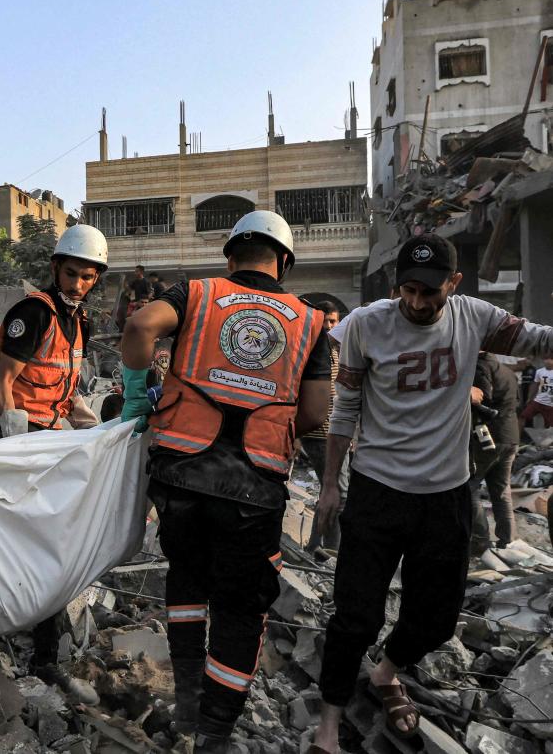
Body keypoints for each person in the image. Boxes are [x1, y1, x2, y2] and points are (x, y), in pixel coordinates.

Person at [309, 234, 553, 753]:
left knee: (437, 619)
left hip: (446, 495)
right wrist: (330, 486)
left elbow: (537, 340)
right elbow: (344, 409)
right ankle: (327, 726)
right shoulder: (365, 326)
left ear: (454, 284)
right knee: (355, 616)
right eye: (408, 291)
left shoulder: (475, 318)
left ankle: (385, 673)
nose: (418, 303)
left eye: (430, 293)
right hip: (377, 490)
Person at [120, 210, 331, 752]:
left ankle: (188, 702)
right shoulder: (310, 321)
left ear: (230, 254)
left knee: (187, 579)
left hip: (181, 474)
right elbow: (314, 414)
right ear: (283, 262)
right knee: (241, 609)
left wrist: (138, 396)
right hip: (253, 489)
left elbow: (141, 326)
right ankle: (214, 734)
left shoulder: (197, 292)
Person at [0, 223, 108, 440]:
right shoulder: (35, 313)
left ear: (95, 278)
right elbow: (2, 380)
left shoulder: (81, 322)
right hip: (11, 429)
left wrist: (87, 424)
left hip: (48, 432)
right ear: (55, 268)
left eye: (86, 277)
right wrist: (14, 440)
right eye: (70, 273)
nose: (77, 285)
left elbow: (65, 383)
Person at [304, 301, 344, 554]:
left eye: (333, 322)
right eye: (325, 321)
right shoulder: (310, 349)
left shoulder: (337, 349)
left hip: (336, 431)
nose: (329, 326)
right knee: (337, 490)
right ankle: (330, 549)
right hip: (318, 432)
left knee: (332, 490)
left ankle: (315, 547)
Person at [470, 352, 518, 551]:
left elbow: (481, 398)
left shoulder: (480, 366)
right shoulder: (507, 371)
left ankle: (480, 540)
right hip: (510, 435)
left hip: (488, 437)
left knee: (469, 488)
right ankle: (508, 541)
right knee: (501, 491)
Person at [520, 356, 553, 428]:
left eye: (550, 359)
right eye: (546, 359)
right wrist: (530, 398)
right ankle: (517, 437)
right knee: (523, 416)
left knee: (549, 425)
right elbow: (535, 384)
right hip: (538, 401)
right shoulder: (539, 371)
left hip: (550, 403)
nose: (547, 361)